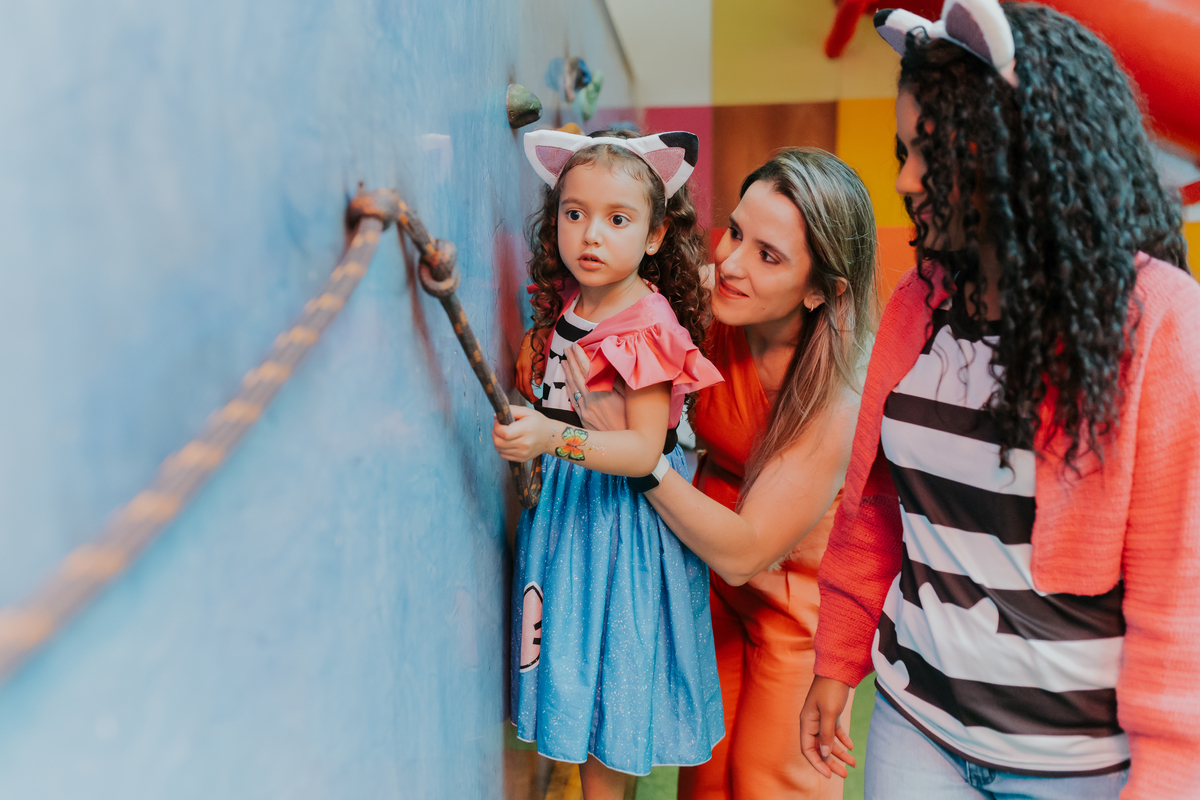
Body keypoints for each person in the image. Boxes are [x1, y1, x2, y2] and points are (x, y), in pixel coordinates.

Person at [800, 2, 1200, 799]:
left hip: (1078, 766)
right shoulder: (918, 301)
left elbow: (1179, 583)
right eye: (904, 152)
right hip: (917, 726)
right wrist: (839, 659)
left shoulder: (1160, 321)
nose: (907, 180)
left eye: (933, 154)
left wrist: (1174, 769)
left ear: (1025, 154)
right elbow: (878, 506)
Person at [525, 147, 879, 798]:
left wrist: (628, 452)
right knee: (708, 782)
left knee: (769, 781)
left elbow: (745, 552)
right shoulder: (705, 311)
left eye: (768, 256)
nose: (731, 262)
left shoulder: (837, 402)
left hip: (789, 605)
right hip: (703, 577)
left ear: (819, 290)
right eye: (736, 231)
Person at [492, 127, 725, 799]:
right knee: (573, 665)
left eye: (617, 219)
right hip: (571, 515)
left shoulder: (646, 325)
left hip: (623, 529)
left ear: (653, 236)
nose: (592, 236)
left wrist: (547, 438)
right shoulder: (572, 302)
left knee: (611, 686)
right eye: (575, 214)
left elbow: (644, 450)